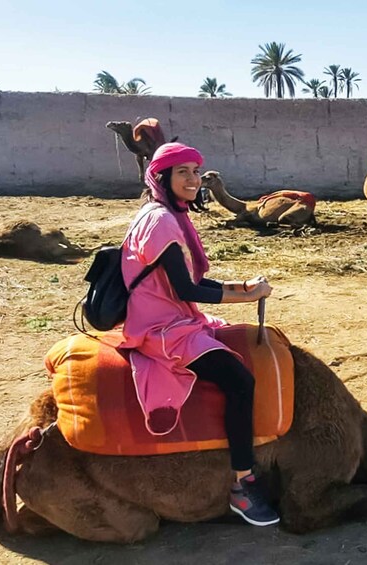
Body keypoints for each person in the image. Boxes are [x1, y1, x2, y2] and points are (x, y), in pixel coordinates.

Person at [120, 142, 280, 526]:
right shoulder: (160, 222)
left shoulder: (170, 216)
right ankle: (242, 484)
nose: (193, 180)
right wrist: (246, 298)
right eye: (183, 173)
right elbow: (186, 290)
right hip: (161, 327)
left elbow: (192, 280)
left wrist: (242, 285)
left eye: (195, 171)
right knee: (239, 380)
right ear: (162, 178)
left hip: (176, 316)